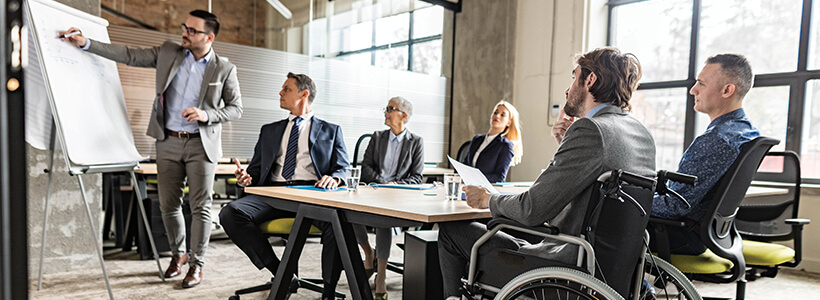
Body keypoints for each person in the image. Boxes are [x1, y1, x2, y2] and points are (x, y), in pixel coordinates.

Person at [438, 47, 656, 299]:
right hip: (614, 269)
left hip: (567, 266)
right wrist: (566, 144)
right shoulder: (641, 134)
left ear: (590, 79)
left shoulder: (590, 130)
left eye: (574, 77)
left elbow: (533, 209)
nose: (568, 88)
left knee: (454, 232)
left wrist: (487, 199)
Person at [60, 10, 243, 288]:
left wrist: (207, 115)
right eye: (185, 27)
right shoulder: (170, 52)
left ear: (209, 37)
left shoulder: (224, 69)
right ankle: (178, 254)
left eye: (192, 31)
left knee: (200, 207)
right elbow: (130, 55)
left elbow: (235, 108)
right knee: (169, 206)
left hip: (201, 144)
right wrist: (88, 44)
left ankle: (197, 264)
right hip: (167, 140)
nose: (185, 33)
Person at [219, 72, 349, 299]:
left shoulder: (331, 130)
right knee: (230, 213)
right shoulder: (269, 130)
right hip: (274, 192)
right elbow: (257, 169)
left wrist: (335, 178)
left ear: (304, 94)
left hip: (311, 193)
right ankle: (281, 272)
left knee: (335, 223)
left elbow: (343, 167)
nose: (280, 92)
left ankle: (328, 291)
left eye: (286, 89)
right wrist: (247, 177)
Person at [650, 54, 760, 255]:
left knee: (601, 220)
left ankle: (641, 287)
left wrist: (629, 198)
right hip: (711, 233)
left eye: (701, 83)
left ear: (727, 90)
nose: (693, 90)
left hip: (682, 234)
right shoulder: (746, 131)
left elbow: (675, 205)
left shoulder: (718, 139)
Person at [351, 96, 425, 300]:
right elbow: (365, 167)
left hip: (397, 196)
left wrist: (394, 186)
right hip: (374, 190)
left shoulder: (416, 142)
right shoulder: (377, 137)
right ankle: (368, 252)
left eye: (390, 109)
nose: (385, 112)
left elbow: (417, 177)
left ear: (404, 116)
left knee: (382, 219)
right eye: (386, 108)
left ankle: (381, 274)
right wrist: (381, 183)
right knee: (349, 212)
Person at [459, 101, 523, 183]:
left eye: (502, 115)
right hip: (466, 186)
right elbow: (465, 165)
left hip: (484, 189)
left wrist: (475, 179)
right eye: (495, 112)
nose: (497, 116)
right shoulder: (477, 139)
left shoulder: (505, 145)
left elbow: (499, 177)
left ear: (509, 122)